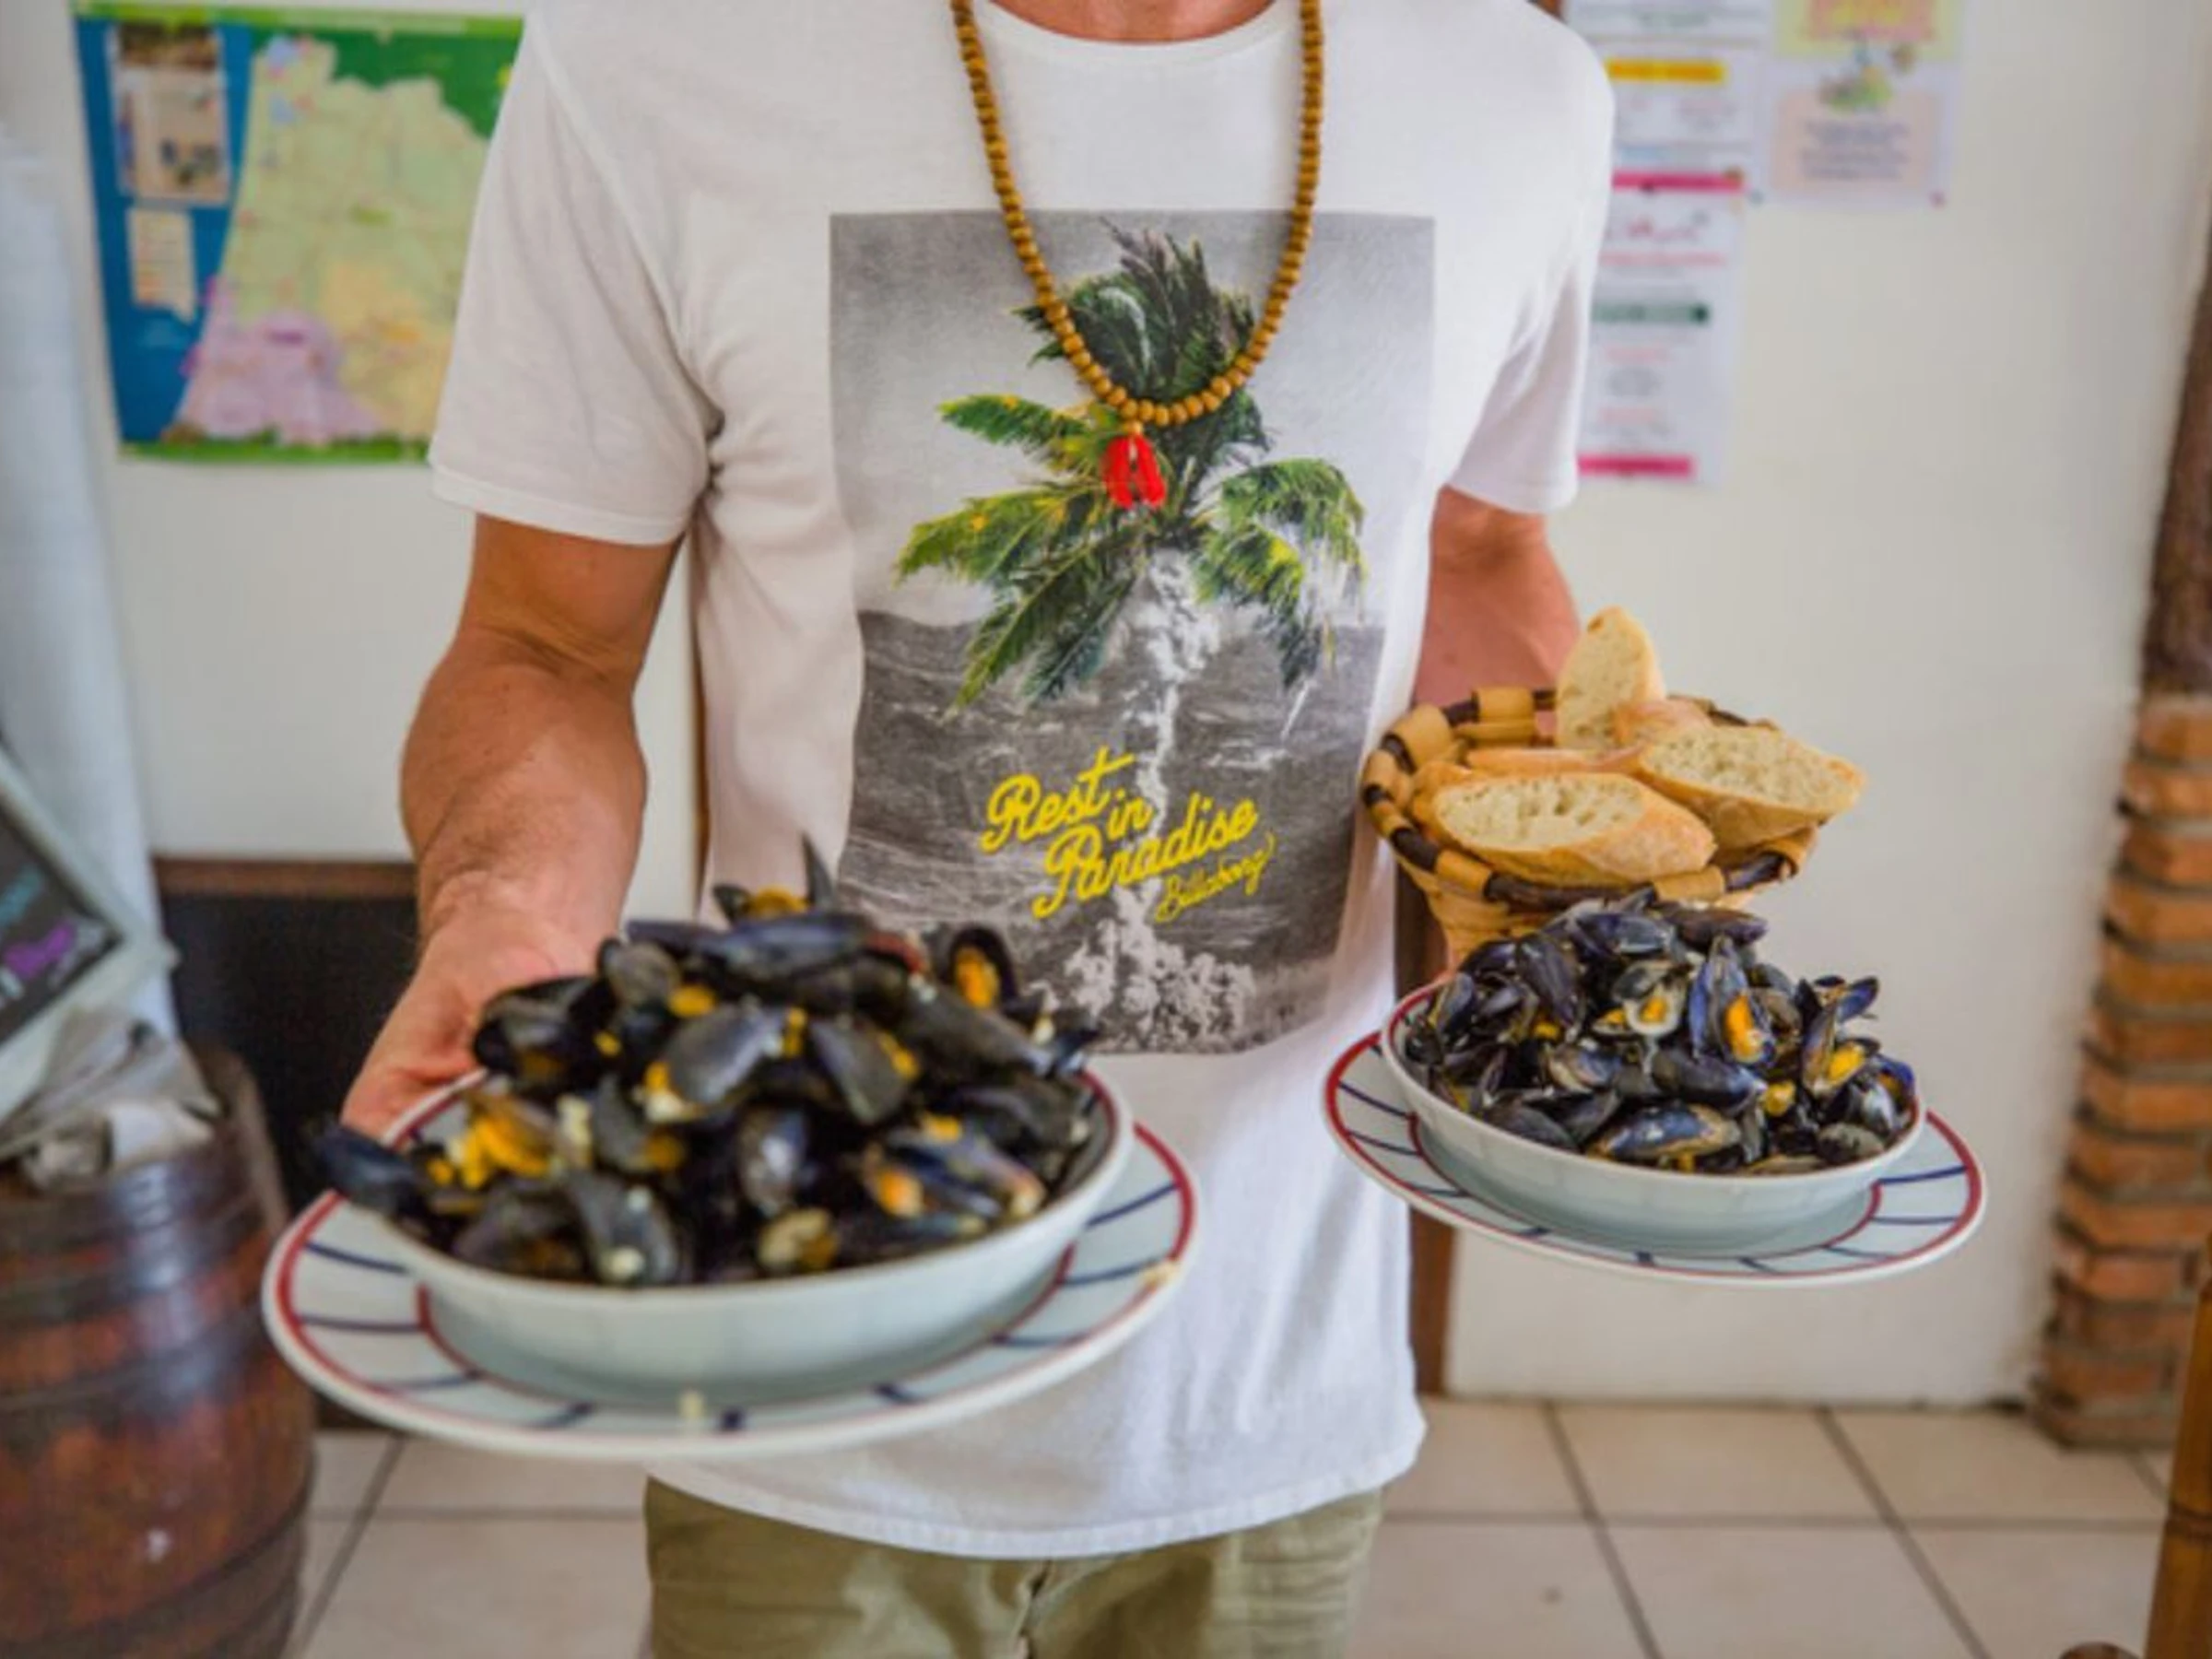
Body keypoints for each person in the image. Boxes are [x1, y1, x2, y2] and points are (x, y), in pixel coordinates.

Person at [343, 1, 1612, 1652]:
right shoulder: (646, 57)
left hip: (1265, 1373)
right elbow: (545, 646)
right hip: (799, 1362)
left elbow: (1483, 551)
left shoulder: (1518, 87)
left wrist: (1594, 893)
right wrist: (505, 917)